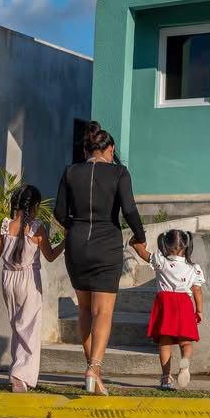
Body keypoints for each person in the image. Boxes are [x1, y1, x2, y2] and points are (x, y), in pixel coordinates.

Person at [54, 121, 148, 395]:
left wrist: (77, 226)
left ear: (86, 150)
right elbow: (129, 209)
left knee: (84, 309)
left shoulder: (70, 172)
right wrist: (140, 237)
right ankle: (94, 368)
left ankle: (93, 372)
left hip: (77, 243)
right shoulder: (120, 172)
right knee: (103, 311)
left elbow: (60, 213)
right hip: (106, 243)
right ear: (110, 149)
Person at [0, 184, 64, 392]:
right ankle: (21, 376)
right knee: (30, 329)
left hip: (8, 278)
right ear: (34, 206)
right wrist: (66, 242)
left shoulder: (6, 225)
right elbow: (50, 256)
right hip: (29, 280)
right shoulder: (36, 227)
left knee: (17, 327)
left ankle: (17, 372)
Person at [132, 229, 205, 390]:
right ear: (186, 246)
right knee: (185, 342)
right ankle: (185, 362)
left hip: (165, 304)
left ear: (165, 245)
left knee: (165, 343)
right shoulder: (194, 268)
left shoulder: (161, 260)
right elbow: (197, 290)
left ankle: (166, 378)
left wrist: (135, 242)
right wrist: (199, 310)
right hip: (185, 304)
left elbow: (142, 252)